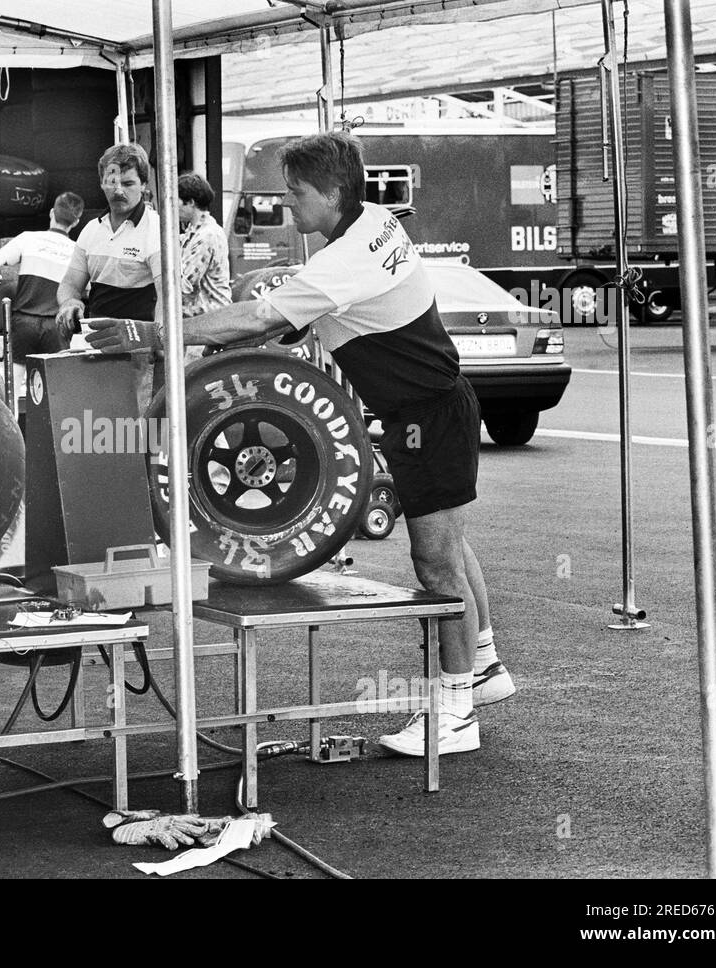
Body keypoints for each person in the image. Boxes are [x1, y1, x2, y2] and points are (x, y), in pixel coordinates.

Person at [85, 131, 514, 756]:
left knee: (436, 560)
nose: (288, 205)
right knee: (452, 545)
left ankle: (453, 713)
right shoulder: (368, 226)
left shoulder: (349, 256)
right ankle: (482, 664)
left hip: (426, 416)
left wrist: (149, 331)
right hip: (430, 408)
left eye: (296, 193)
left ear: (333, 193)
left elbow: (261, 321)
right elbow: (286, 324)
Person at [55, 142, 162, 331]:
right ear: (102, 183)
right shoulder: (91, 230)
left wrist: (160, 340)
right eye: (112, 183)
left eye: (128, 183)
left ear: (143, 185)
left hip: (140, 344)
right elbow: (70, 283)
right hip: (95, 339)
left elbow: (168, 295)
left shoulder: (156, 230)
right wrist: (69, 302)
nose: (119, 191)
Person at [0, 191, 84, 357]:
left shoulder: (28, 239)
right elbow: (86, 290)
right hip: (57, 327)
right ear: (76, 222)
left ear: (52, 212)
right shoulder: (78, 252)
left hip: (23, 322)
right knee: (55, 379)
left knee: (14, 379)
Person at [177, 171, 231, 319]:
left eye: (176, 201)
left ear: (191, 202)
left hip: (211, 317)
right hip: (205, 315)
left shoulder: (206, 236)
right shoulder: (194, 231)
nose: (173, 207)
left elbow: (184, 285)